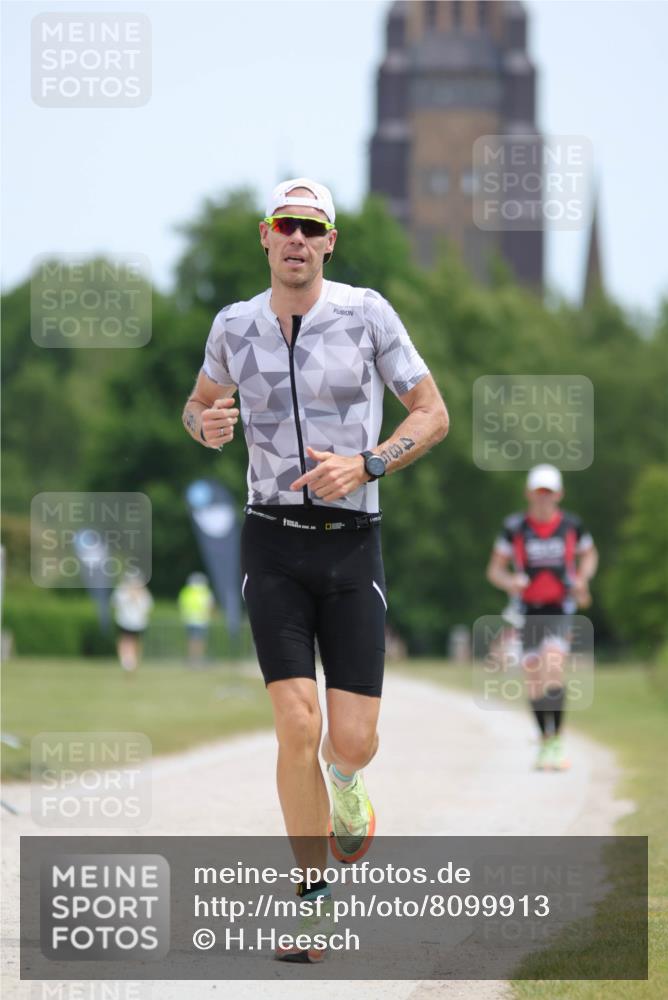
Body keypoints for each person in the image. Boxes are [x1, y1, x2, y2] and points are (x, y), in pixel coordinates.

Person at [182, 177, 448, 961]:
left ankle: (348, 783)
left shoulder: (366, 314)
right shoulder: (234, 326)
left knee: (352, 740)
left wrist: (367, 463)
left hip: (350, 540)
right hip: (272, 543)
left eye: (312, 227)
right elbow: (197, 406)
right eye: (284, 225)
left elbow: (431, 414)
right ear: (265, 237)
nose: (297, 238)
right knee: (296, 723)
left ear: (330, 241)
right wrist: (205, 426)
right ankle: (312, 902)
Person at [486, 464, 598, 771]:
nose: (543, 499)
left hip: (559, 608)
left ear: (558, 495)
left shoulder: (572, 526)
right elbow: (494, 569)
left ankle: (557, 739)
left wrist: (582, 578)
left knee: (553, 664)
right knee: (534, 677)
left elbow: (589, 554)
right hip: (527, 610)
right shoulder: (515, 528)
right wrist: (510, 581)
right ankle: (545, 740)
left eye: (548, 493)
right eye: (538, 493)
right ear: (529, 494)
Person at [111, 569, 153, 675]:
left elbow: (148, 606)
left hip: (138, 622)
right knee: (125, 640)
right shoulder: (121, 590)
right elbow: (115, 603)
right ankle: (126, 661)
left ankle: (134, 663)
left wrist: (137, 597)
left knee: (136, 642)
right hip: (124, 621)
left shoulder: (144, 592)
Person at [178, 572, 214, 666]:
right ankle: (198, 659)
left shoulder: (186, 591)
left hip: (189, 620)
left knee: (191, 640)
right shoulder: (205, 591)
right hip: (201, 621)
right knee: (200, 640)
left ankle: (192, 658)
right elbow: (210, 605)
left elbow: (181, 605)